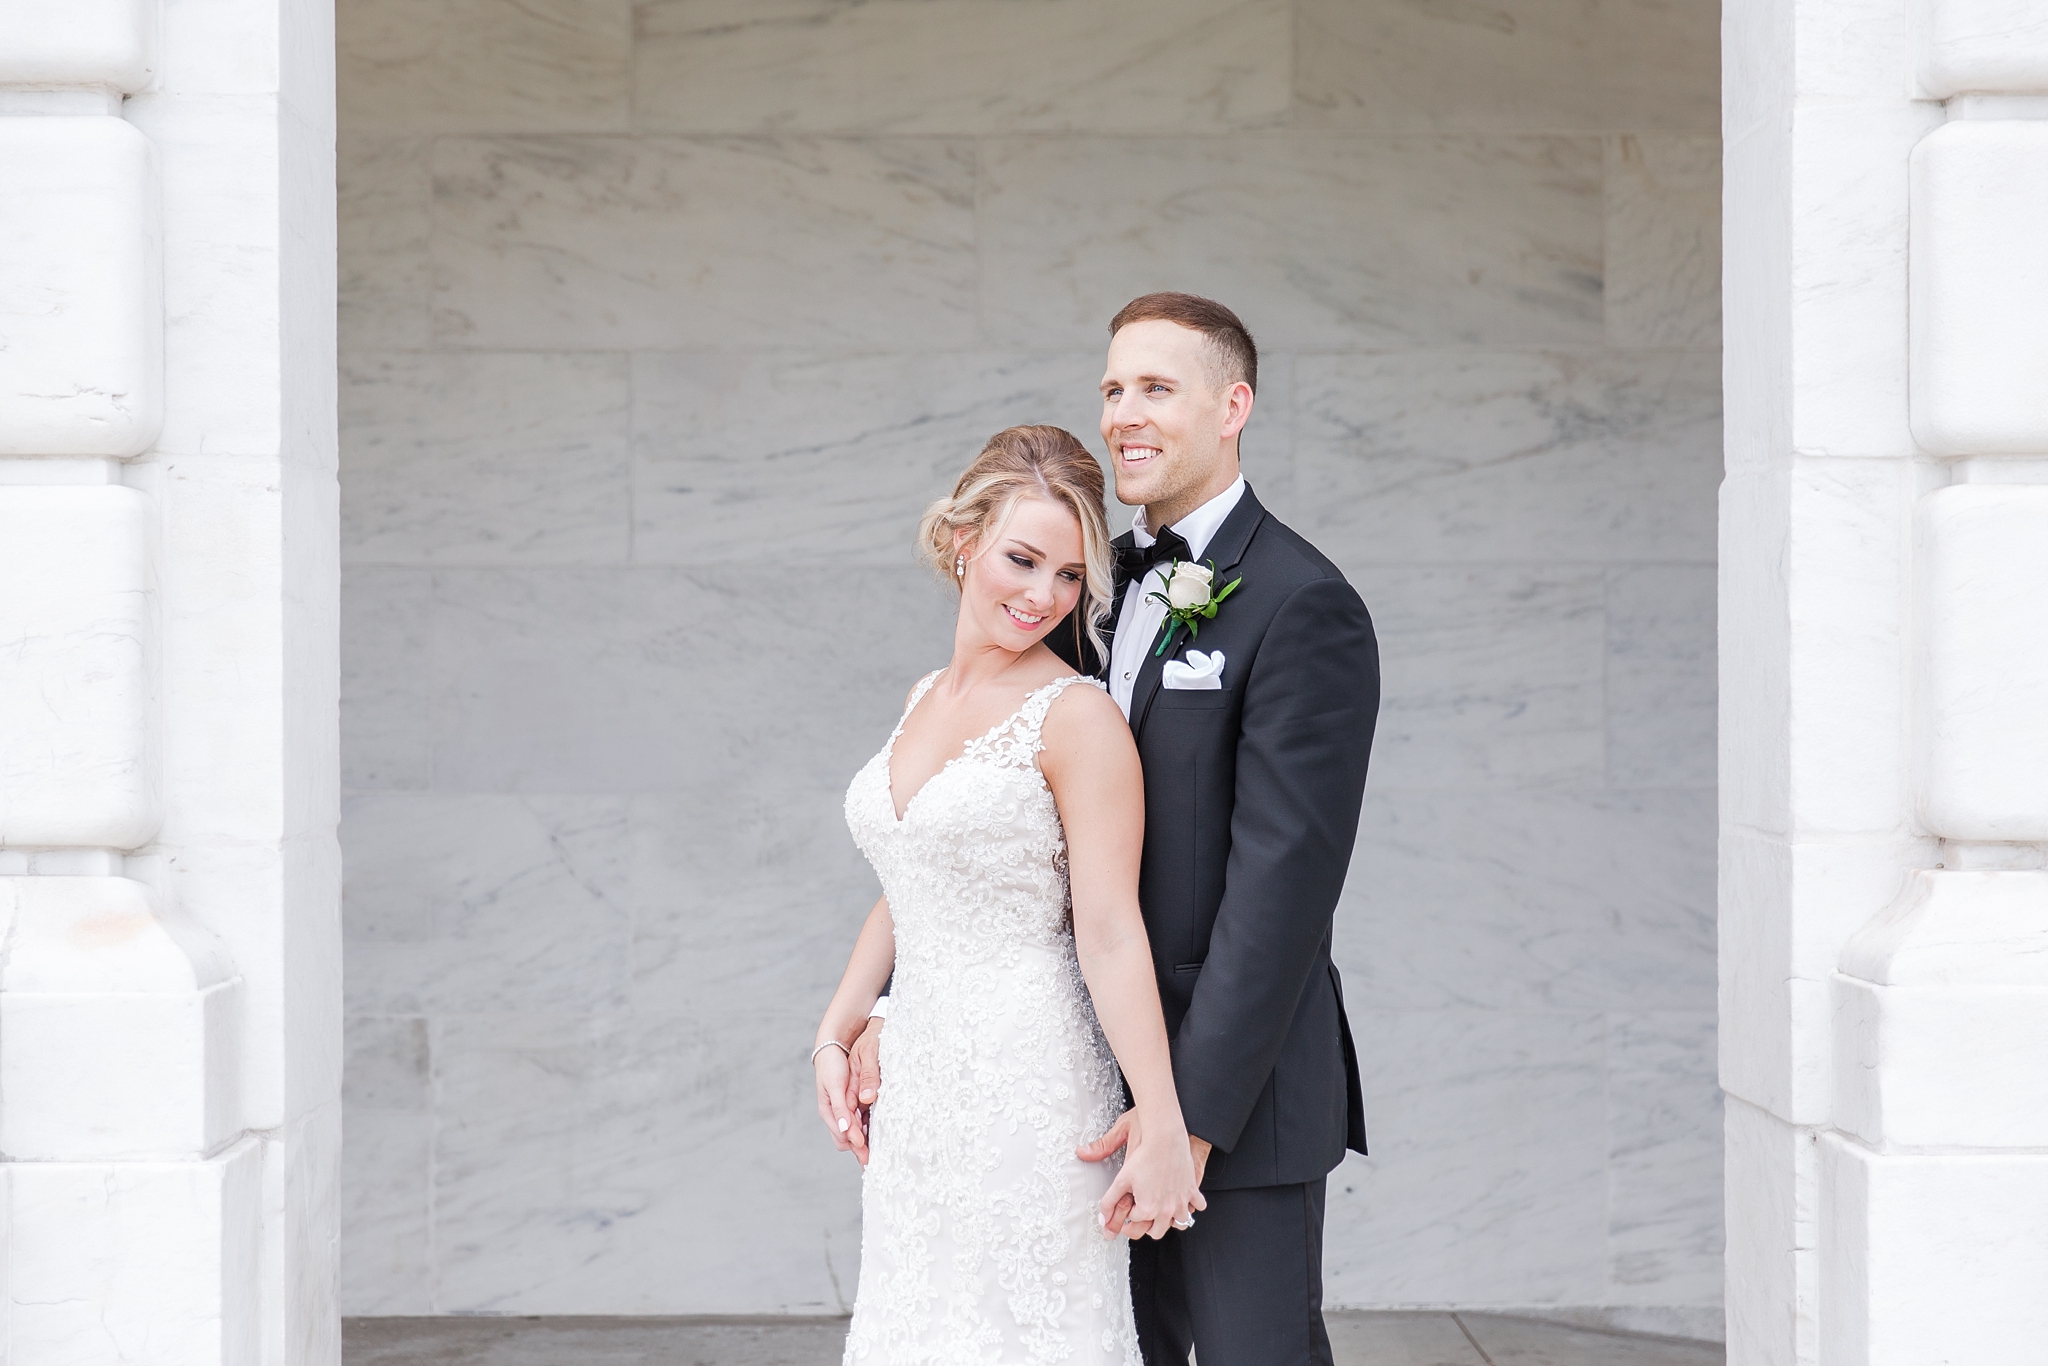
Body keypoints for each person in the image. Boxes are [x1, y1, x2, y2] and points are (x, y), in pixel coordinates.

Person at [847, 294, 1381, 1365]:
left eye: (1155, 388)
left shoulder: (1300, 602)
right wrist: (889, 1009)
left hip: (1229, 1103)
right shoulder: (1082, 591)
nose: (1124, 414)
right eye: (1111, 388)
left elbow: (1280, 896)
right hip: (1069, 1092)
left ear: (1233, 405)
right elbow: (995, 839)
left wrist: (1178, 1120)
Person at [812, 425, 1205, 1364]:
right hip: (922, 1081)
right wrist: (838, 1026)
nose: (1043, 596)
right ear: (962, 541)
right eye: (1023, 561)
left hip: (1028, 1071)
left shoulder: (1078, 717)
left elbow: (1110, 931)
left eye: (1070, 576)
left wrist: (1160, 1116)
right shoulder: (922, 697)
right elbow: (911, 882)